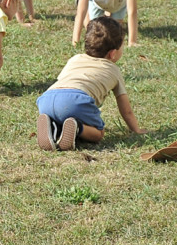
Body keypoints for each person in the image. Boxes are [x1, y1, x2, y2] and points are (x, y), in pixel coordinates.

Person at [36, 17, 147, 151]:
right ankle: (77, 126)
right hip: (76, 100)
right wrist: (136, 130)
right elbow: (126, 111)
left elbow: (62, 82)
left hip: (46, 99)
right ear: (112, 54)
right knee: (99, 133)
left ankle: (52, 125)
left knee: (63, 116)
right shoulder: (114, 70)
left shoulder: (75, 59)